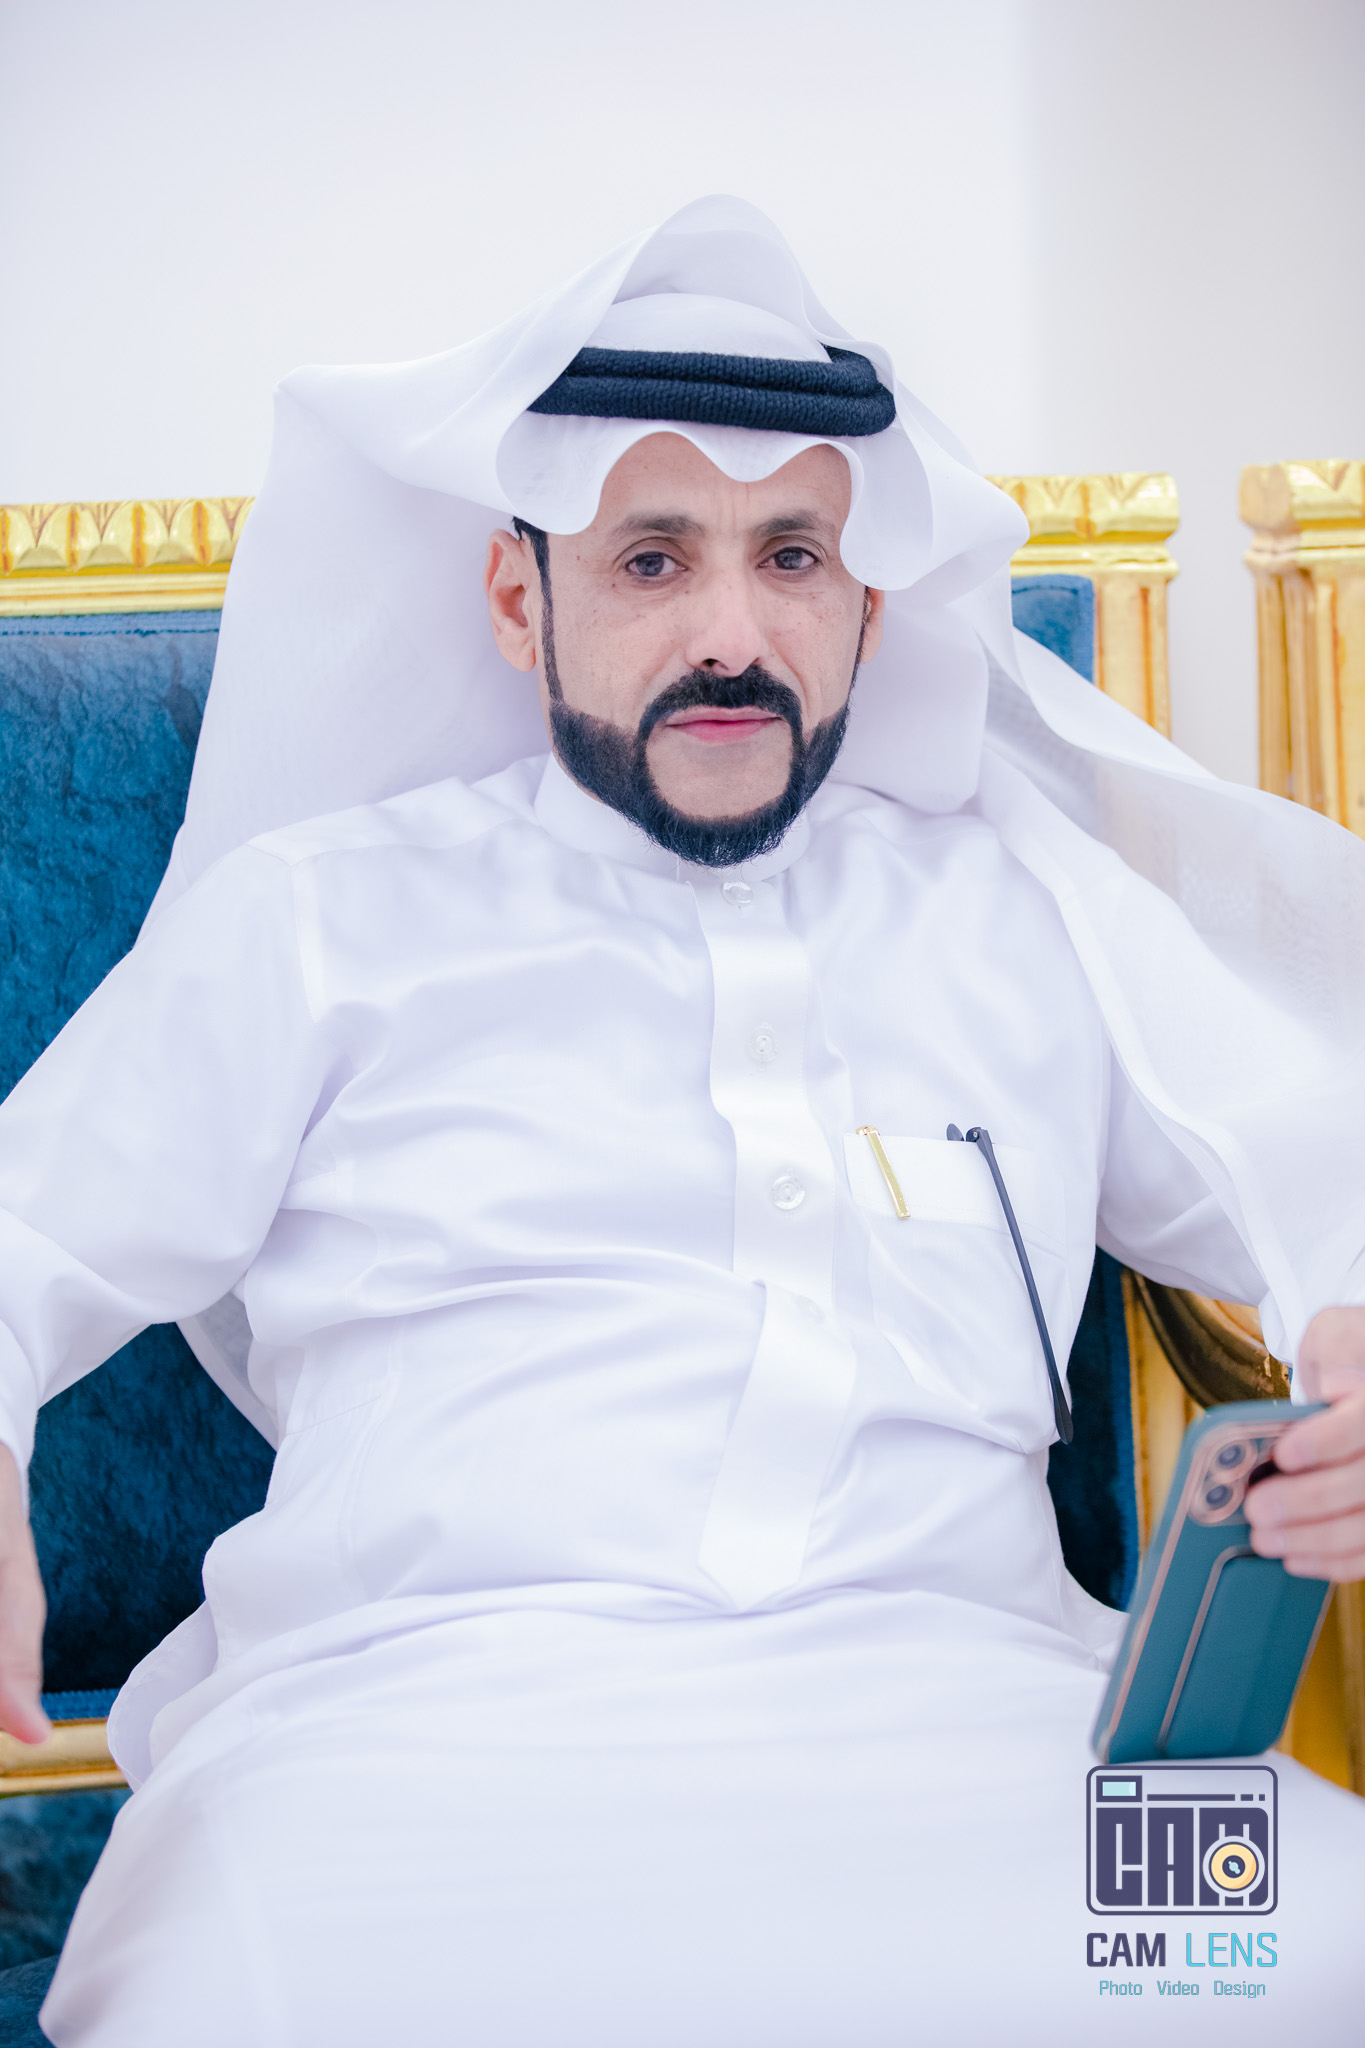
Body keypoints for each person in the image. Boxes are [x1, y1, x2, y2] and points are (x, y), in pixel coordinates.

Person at [0, 195, 1362, 2045]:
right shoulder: (319, 920)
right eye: (651, 560)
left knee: (1311, 1953)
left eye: (791, 555)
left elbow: (1317, 1177)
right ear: (518, 600)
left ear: (868, 599)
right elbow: (29, 1230)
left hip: (995, 1737)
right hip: (403, 1746)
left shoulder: (1018, 910)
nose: (733, 634)